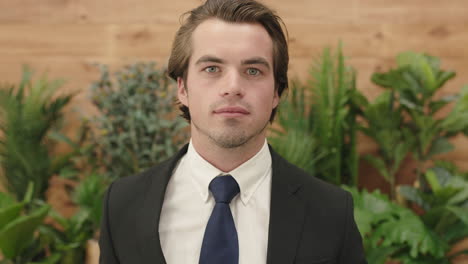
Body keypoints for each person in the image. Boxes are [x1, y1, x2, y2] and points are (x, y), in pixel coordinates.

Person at [98, 0, 367, 263]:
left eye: (253, 70)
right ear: (182, 88)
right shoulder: (123, 204)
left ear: (276, 92)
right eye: (212, 68)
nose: (233, 87)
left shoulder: (330, 212)